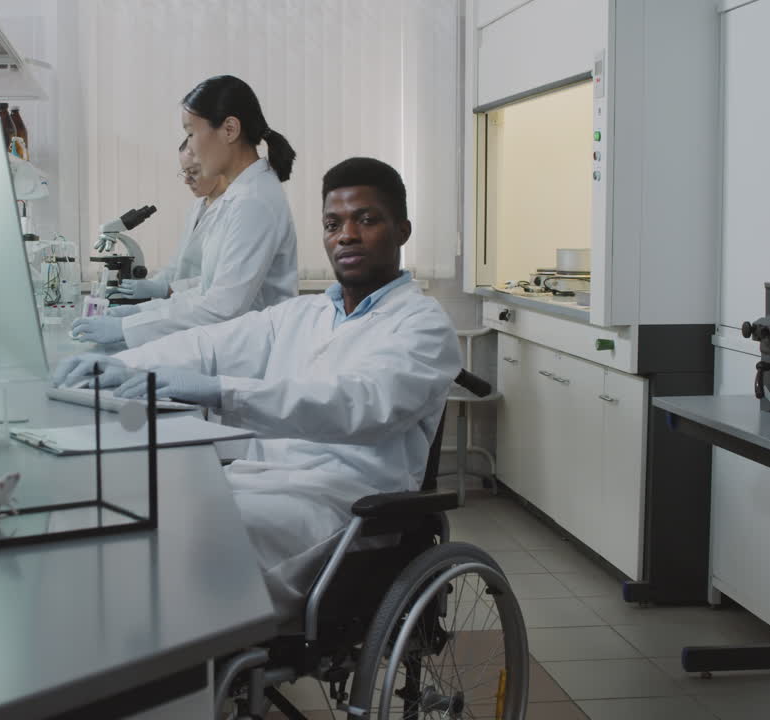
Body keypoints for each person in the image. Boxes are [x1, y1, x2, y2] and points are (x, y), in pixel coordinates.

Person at [52, 158, 462, 619]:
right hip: (256, 482)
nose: (346, 234)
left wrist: (221, 391)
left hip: (344, 507)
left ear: (402, 230)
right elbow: (207, 345)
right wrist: (119, 365)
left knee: (174, 551)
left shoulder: (423, 326)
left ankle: (173, 670)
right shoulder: (305, 314)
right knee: (121, 519)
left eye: (365, 220)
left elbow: (358, 404)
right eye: (333, 223)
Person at [71, 75, 299, 347]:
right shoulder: (240, 196)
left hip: (250, 353)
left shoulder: (254, 201)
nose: (189, 146)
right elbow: (206, 293)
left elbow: (222, 309)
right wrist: (139, 313)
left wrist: (126, 328)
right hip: (231, 344)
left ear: (229, 129)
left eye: (191, 132)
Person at [105, 139, 228, 307]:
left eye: (193, 172)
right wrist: (151, 285)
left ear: (216, 166)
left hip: (207, 307)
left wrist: (162, 289)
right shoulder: (198, 206)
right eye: (185, 172)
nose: (186, 180)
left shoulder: (233, 209)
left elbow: (220, 281)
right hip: (182, 304)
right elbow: (176, 265)